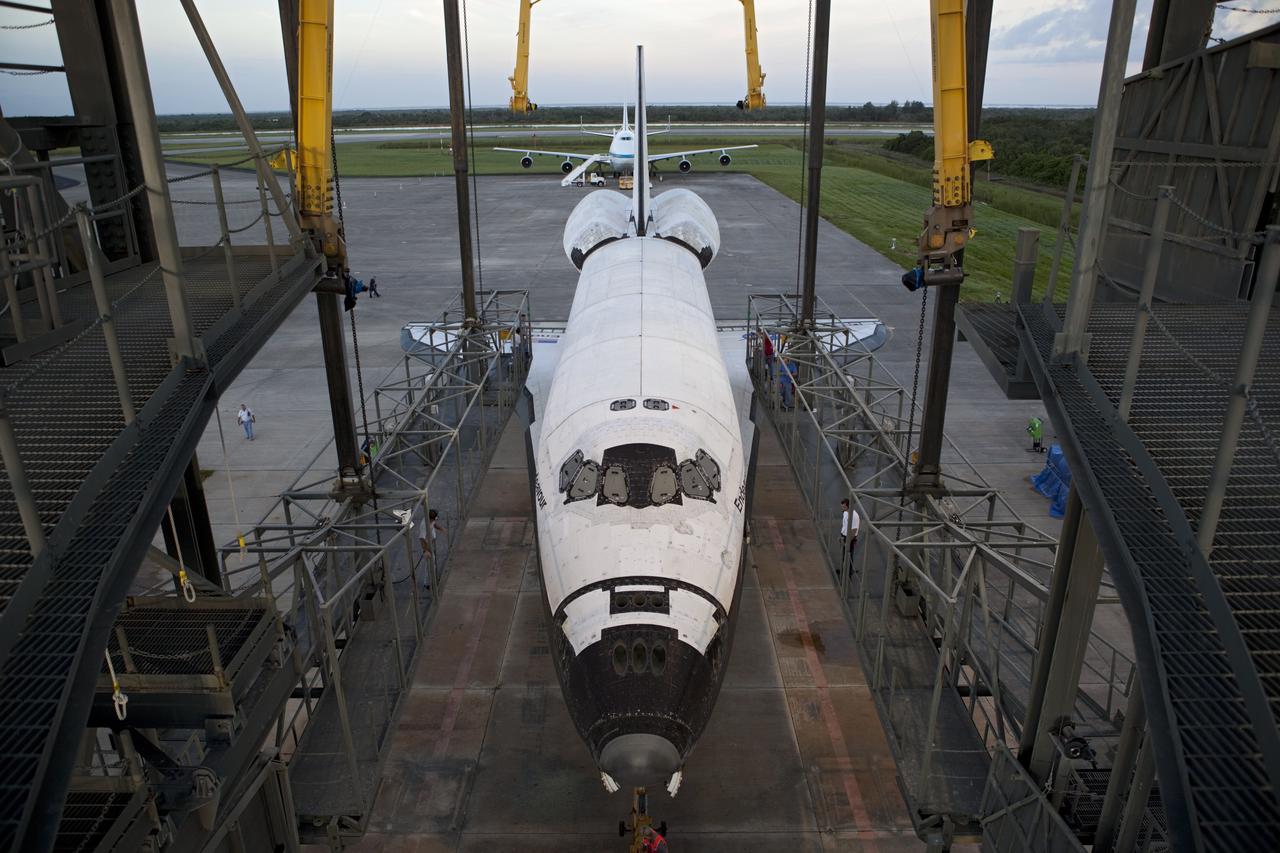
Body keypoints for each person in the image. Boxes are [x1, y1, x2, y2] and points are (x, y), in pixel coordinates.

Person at [419, 509, 446, 582]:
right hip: (427, 545)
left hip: (431, 543)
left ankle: (432, 580)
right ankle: (428, 583)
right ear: (429, 518)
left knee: (432, 564)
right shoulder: (424, 525)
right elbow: (422, 539)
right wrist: (426, 550)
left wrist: (440, 528)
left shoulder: (431, 519)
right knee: (430, 565)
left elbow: (434, 523)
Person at [840, 498, 860, 567]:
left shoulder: (854, 516)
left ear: (848, 506)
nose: (842, 508)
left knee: (849, 556)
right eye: (842, 506)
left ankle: (848, 573)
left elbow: (854, 530)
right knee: (844, 555)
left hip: (849, 538)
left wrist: (848, 542)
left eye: (844, 507)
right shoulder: (845, 512)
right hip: (844, 536)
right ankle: (844, 569)